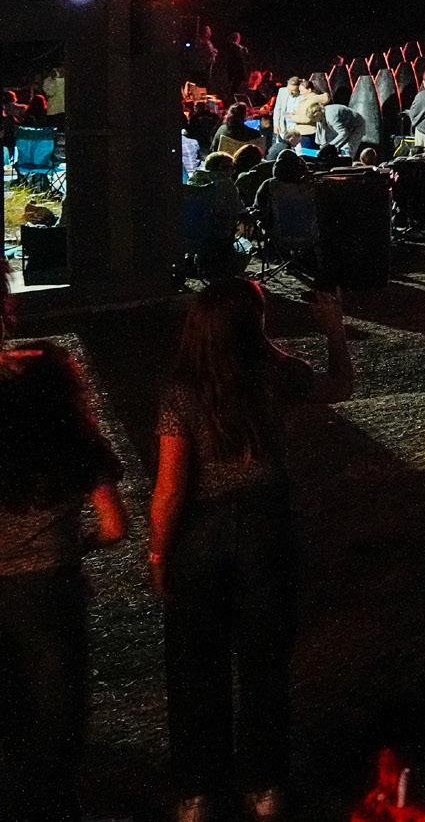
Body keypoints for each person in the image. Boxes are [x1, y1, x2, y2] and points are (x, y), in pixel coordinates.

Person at [151, 279, 354, 822]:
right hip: (267, 524)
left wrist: (158, 554)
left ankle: (197, 791)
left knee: (196, 665)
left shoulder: (183, 390)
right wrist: (334, 330)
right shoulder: (277, 374)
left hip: (202, 530)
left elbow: (170, 489)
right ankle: (265, 786)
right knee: (265, 660)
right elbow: (339, 386)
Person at [0, 269, 129, 822]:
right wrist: (71, 541)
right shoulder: (61, 409)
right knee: (57, 721)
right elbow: (114, 526)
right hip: (51, 587)